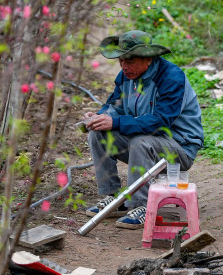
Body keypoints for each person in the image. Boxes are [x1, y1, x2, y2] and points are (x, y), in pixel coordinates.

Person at [83, 30, 204, 229]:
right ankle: (115, 198)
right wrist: (99, 116)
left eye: (130, 62)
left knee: (140, 140)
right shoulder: (125, 77)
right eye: (121, 61)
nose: (124, 67)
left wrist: (116, 123)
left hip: (180, 148)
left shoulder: (171, 77)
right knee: (98, 133)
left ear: (148, 59)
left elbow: (160, 121)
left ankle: (141, 205)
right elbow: (115, 104)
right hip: (148, 144)